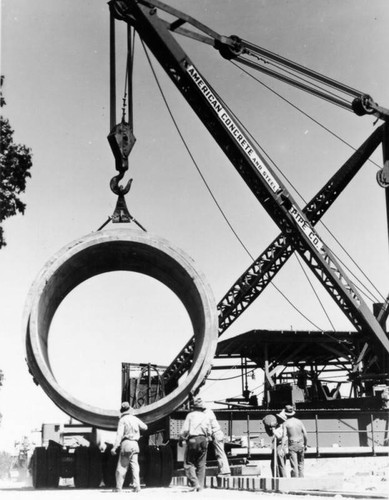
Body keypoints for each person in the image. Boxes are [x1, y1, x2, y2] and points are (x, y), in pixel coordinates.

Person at [111, 401, 148, 492]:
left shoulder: (122, 420)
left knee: (122, 467)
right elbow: (145, 427)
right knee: (135, 466)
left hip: (126, 444)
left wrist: (114, 447)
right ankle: (137, 487)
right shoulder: (135, 418)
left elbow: (119, 435)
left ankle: (119, 488)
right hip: (135, 444)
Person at [179, 397, 212, 492]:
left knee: (188, 463)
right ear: (202, 408)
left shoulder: (190, 415)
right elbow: (209, 431)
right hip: (204, 440)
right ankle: (200, 487)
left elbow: (185, 430)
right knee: (201, 464)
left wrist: (181, 439)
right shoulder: (206, 416)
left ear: (194, 407)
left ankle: (195, 483)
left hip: (193, 440)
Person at [204, 406, 231, 476]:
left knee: (219, 453)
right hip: (218, 433)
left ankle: (224, 471)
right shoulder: (209, 411)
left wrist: (208, 435)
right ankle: (223, 471)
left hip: (216, 434)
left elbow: (208, 426)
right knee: (220, 452)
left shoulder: (206, 414)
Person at [282, 405, 308, 477]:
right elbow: (305, 434)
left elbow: (284, 436)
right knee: (301, 465)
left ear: (286, 414)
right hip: (300, 444)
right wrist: (305, 444)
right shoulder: (299, 422)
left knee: (294, 466)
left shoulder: (285, 423)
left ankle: (295, 484)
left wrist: (283, 447)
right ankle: (302, 482)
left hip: (292, 444)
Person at [263, 413, 287, 477]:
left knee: (281, 464)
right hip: (275, 446)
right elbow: (270, 434)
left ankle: (283, 478)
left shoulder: (283, 426)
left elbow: (279, 436)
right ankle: (276, 477)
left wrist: (273, 429)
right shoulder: (277, 426)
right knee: (273, 464)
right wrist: (267, 427)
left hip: (280, 446)